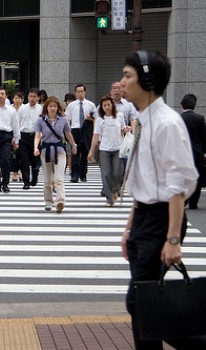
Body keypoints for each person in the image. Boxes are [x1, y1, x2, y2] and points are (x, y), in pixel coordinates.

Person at [120, 50, 206, 349]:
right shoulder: (143, 120)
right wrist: (130, 227)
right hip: (145, 217)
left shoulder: (168, 123)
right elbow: (143, 178)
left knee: (139, 301)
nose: (122, 82)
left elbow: (177, 186)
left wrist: (172, 239)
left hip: (161, 220)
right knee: (143, 302)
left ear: (147, 80)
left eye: (128, 76)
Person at [33, 97, 77, 213]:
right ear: (46, 108)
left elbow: (68, 133)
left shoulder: (63, 119)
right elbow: (38, 135)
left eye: (55, 106)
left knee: (59, 178)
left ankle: (60, 201)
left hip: (59, 151)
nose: (52, 108)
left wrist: (73, 145)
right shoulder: (40, 120)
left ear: (58, 108)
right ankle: (48, 201)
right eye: (50, 106)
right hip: (45, 151)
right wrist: (35, 148)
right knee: (47, 180)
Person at [88, 96, 127, 206]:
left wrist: (126, 129)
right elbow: (95, 136)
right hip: (104, 150)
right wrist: (91, 151)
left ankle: (115, 190)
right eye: (104, 105)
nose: (106, 107)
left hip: (118, 149)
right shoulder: (100, 119)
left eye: (108, 105)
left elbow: (122, 129)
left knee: (118, 173)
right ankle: (109, 199)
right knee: (106, 174)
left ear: (112, 105)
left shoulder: (120, 116)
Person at [64, 84, 96, 182]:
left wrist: (90, 118)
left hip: (86, 129)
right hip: (75, 129)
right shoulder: (71, 105)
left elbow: (96, 118)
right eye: (78, 91)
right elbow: (67, 119)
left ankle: (83, 174)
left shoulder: (91, 105)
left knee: (84, 152)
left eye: (82, 91)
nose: (80, 93)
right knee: (75, 152)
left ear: (85, 92)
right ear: (76, 93)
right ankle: (74, 175)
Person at [180, 94, 206, 209]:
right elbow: (204, 137)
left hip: (182, 153)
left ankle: (183, 199)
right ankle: (193, 202)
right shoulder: (200, 119)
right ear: (194, 106)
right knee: (197, 178)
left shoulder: (178, 119)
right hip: (197, 153)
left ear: (182, 105)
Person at [17, 88, 43, 188]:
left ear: (38, 98)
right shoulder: (22, 108)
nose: (32, 99)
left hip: (36, 137)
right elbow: (18, 122)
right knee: (24, 160)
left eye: (34, 97)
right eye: (30, 96)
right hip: (24, 136)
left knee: (35, 160)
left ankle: (35, 176)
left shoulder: (41, 109)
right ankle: (26, 182)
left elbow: (43, 124)